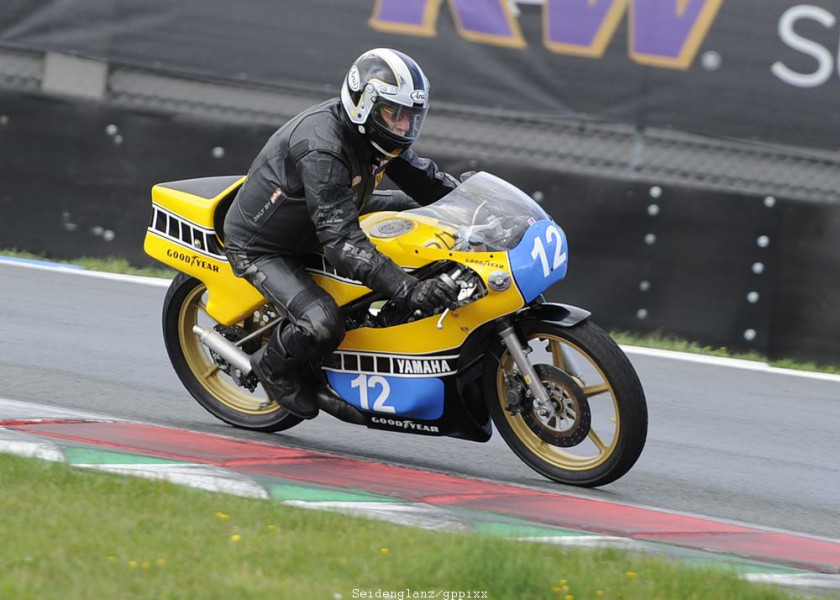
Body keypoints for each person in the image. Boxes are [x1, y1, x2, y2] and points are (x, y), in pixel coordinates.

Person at [223, 48, 461, 420]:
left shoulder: (377, 137)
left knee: (420, 214)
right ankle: (273, 368)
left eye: (410, 117)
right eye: (393, 114)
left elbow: (426, 183)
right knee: (323, 324)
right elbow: (342, 241)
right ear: (363, 105)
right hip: (266, 245)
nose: (402, 127)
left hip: (328, 210)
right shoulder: (323, 148)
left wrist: (472, 203)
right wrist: (409, 290)